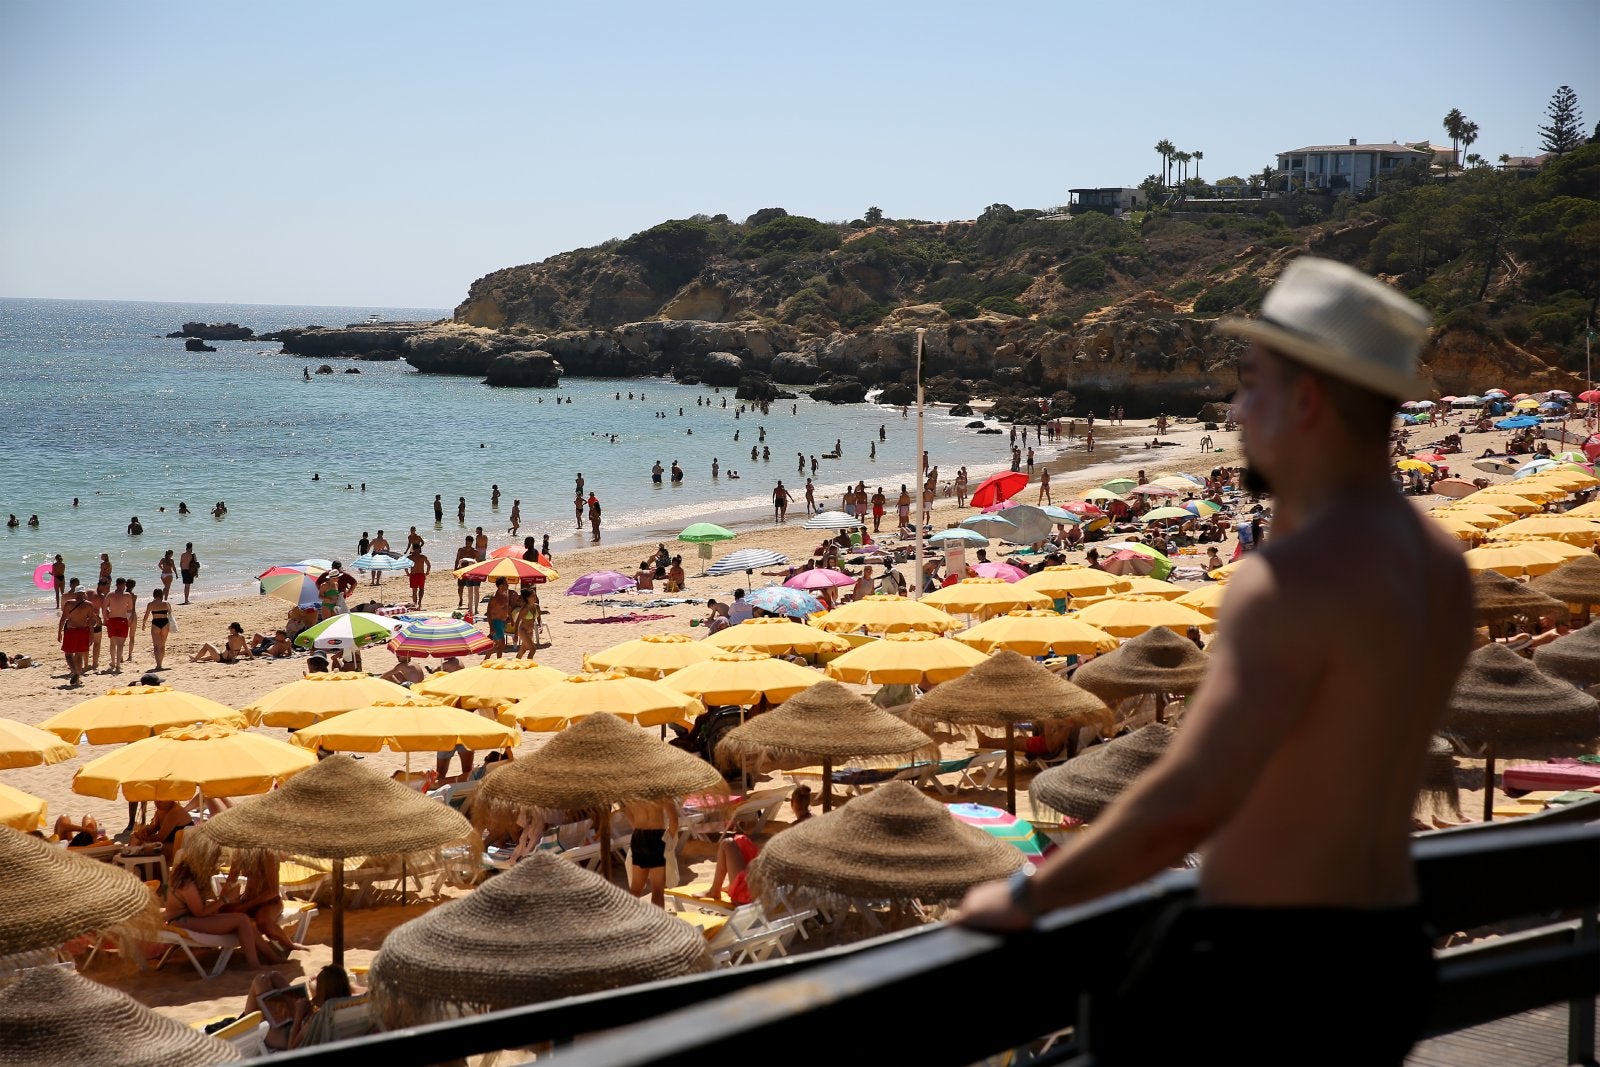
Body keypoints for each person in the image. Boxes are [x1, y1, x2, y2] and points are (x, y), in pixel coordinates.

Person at [956, 257, 1472, 1066]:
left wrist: (1025, 894)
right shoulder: (1438, 562)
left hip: (1264, 974)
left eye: (1250, 384)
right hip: (1386, 953)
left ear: (1304, 399)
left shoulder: (1292, 577)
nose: (1235, 409)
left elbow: (1192, 796)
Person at [164, 855, 280, 969]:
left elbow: (197, 908)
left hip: (186, 918)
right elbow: (200, 913)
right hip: (183, 921)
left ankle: (272, 957)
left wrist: (218, 905)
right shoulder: (187, 884)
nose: (211, 868)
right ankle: (255, 964)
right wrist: (225, 899)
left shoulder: (183, 878)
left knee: (246, 922)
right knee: (242, 920)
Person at [623, 798, 678, 907]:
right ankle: (658, 923)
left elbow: (625, 810)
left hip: (638, 836)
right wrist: (669, 838)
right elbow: (674, 820)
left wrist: (636, 828)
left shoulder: (631, 790)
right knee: (657, 889)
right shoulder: (661, 789)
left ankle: (630, 921)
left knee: (636, 888)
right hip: (657, 837)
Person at [57, 589, 96, 686]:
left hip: (71, 631)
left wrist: (59, 632)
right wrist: (91, 635)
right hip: (83, 631)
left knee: (68, 654)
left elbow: (63, 619)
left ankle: (74, 671)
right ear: (84, 594)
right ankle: (77, 676)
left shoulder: (69, 603)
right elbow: (91, 622)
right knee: (79, 655)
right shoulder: (89, 605)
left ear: (76, 594)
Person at [141, 588, 174, 670]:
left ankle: (158, 665)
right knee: (162, 645)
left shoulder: (150, 604)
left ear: (154, 595)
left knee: (156, 646)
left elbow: (146, 616)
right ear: (161, 594)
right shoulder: (166, 604)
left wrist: (144, 624)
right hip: (165, 623)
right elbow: (170, 613)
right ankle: (161, 664)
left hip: (155, 623)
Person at [406, 543, 431, 609]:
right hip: (421, 574)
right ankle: (419, 603)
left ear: (413, 549)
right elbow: (428, 565)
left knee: (414, 591)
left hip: (413, 575)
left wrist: (407, 573)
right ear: (419, 549)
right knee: (421, 589)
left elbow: (405, 566)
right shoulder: (423, 557)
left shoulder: (410, 557)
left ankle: (415, 603)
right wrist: (427, 572)